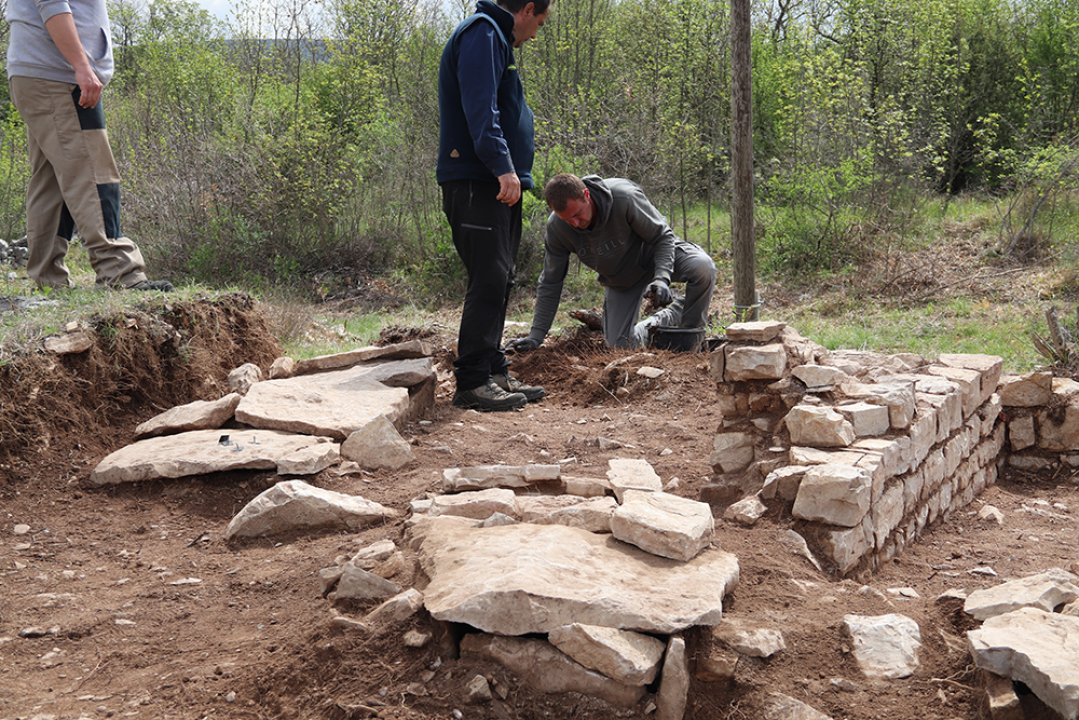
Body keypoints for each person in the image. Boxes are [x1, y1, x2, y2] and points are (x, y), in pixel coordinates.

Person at [6, 0, 172, 292]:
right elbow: (52, 3)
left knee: (51, 181)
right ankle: (119, 273)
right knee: (94, 173)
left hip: (39, 73)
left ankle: (48, 279)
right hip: (59, 76)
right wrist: (82, 67)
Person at [437, 0, 550, 411]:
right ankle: (471, 382)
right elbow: (480, 108)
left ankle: (493, 369)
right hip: (477, 179)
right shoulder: (482, 32)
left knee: (501, 278)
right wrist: (503, 166)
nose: (535, 34)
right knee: (488, 278)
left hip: (498, 181)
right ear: (528, 8)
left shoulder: (497, 38)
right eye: (540, 23)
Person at [508, 173, 716, 352]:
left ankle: (690, 337)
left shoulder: (624, 197)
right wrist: (536, 336)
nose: (575, 224)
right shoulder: (557, 229)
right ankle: (670, 316)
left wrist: (662, 278)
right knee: (619, 346)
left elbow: (662, 237)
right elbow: (551, 282)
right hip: (622, 279)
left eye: (577, 215)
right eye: (567, 220)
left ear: (586, 195)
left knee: (702, 267)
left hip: (654, 255)